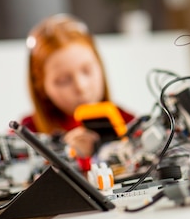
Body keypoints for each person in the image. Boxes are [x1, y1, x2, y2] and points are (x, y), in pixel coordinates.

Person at [21, 13, 134, 171]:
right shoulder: (25, 136)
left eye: (87, 71)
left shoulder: (130, 123)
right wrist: (65, 157)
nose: (81, 86)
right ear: (41, 87)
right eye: (63, 80)